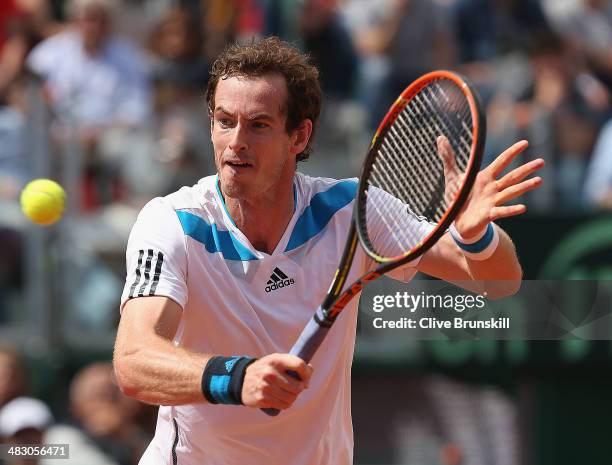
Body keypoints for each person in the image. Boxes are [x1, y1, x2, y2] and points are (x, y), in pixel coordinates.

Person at [113, 37, 544, 465]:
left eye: (258, 125)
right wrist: (236, 377)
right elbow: (134, 361)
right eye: (225, 122)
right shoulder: (172, 222)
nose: (235, 142)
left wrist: (475, 237)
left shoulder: (351, 211)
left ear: (299, 136)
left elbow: (500, 282)